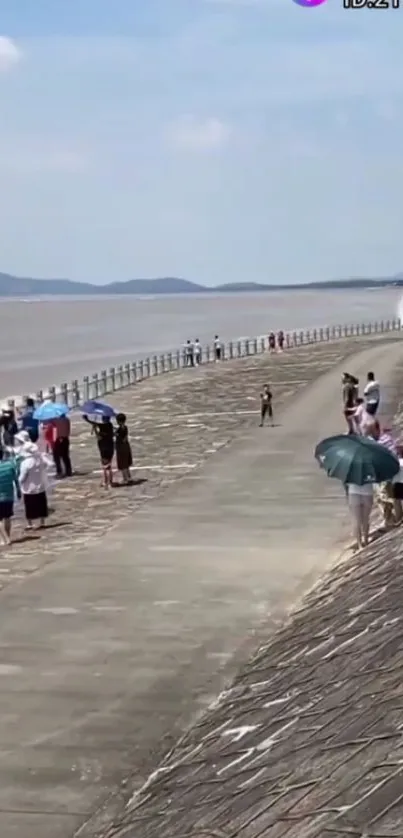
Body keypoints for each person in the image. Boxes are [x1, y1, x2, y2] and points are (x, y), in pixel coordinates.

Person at [18, 440, 49, 530]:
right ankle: (42, 522)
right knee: (41, 504)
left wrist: (19, 482)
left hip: (29, 487)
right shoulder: (39, 460)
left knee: (29, 506)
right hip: (40, 485)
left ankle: (30, 524)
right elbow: (46, 465)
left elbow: (23, 477)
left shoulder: (25, 463)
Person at [83, 414, 114, 488]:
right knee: (109, 464)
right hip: (111, 447)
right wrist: (94, 425)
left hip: (103, 448)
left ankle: (105, 481)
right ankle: (110, 481)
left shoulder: (102, 427)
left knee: (104, 466)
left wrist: (87, 420)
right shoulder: (110, 425)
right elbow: (95, 424)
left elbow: (98, 436)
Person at [0, 446, 20, 545]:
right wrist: (19, 491)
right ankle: (8, 537)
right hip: (9, 495)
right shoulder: (10, 465)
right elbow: (16, 480)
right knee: (7, 517)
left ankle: (5, 539)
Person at [346, 480, 373, 550]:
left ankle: (360, 544)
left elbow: (345, 482)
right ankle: (366, 541)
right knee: (365, 519)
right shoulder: (371, 468)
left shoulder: (350, 469)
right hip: (368, 492)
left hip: (353, 493)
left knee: (356, 521)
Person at [115, 413, 133, 485]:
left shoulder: (120, 429)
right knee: (126, 463)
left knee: (123, 463)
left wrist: (116, 434)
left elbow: (121, 438)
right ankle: (129, 477)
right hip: (126, 446)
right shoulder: (125, 427)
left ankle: (125, 479)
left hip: (121, 447)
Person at [52, 414, 72, 478]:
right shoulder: (67, 420)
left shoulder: (54, 420)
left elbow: (54, 431)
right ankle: (68, 471)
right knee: (65, 456)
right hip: (65, 439)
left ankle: (59, 471)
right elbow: (68, 430)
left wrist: (53, 441)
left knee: (56, 457)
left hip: (57, 439)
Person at [391, 442, 403, 524]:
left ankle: (399, 518)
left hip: (397, 483)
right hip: (401, 482)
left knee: (397, 502)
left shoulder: (396, 462)